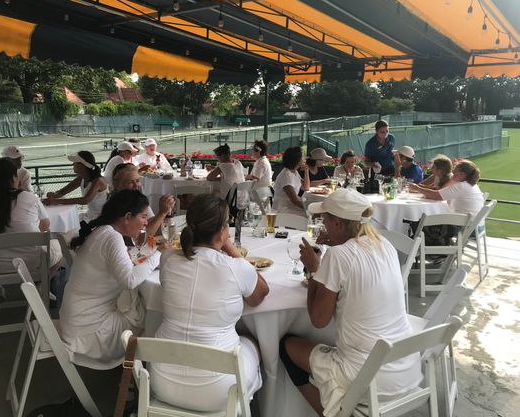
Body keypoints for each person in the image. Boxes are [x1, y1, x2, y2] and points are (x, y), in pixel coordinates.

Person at [279, 189, 422, 417]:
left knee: (286, 346)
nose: (322, 224)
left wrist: (314, 269)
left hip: (368, 376)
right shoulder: (384, 244)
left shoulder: (339, 256)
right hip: (405, 368)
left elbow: (318, 320)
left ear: (337, 223)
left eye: (325, 219)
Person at [149, 194, 269, 412]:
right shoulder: (235, 267)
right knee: (252, 339)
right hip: (218, 389)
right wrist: (230, 248)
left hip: (161, 380)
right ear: (223, 230)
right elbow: (260, 294)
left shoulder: (167, 259)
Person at [59, 190, 160, 369]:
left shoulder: (102, 230)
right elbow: (129, 280)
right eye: (143, 217)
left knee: (135, 302)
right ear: (128, 217)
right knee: (146, 313)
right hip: (89, 334)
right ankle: (141, 375)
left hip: (76, 321)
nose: (146, 222)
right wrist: (158, 255)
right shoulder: (112, 237)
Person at [0, 158, 63, 274]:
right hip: (32, 262)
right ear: (14, 178)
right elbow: (45, 224)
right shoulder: (29, 198)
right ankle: (39, 286)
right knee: (61, 248)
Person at [112, 163, 175, 236]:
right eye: (130, 182)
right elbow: (140, 237)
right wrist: (162, 213)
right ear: (117, 185)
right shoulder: (114, 207)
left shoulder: (139, 200)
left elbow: (156, 229)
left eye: (137, 181)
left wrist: (167, 213)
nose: (136, 186)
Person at [409, 159, 484, 216]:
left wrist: (417, 188)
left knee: (422, 220)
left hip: (464, 225)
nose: (453, 172)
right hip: (471, 224)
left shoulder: (462, 186)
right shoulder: (471, 185)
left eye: (455, 171)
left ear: (462, 174)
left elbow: (436, 195)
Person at [273, 146, 308, 217]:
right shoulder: (286, 175)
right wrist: (310, 208)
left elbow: (306, 187)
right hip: (283, 210)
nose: (304, 158)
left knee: (314, 214)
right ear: (297, 160)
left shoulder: (294, 172)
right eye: (302, 157)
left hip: (291, 207)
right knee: (312, 215)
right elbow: (295, 201)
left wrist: (306, 171)